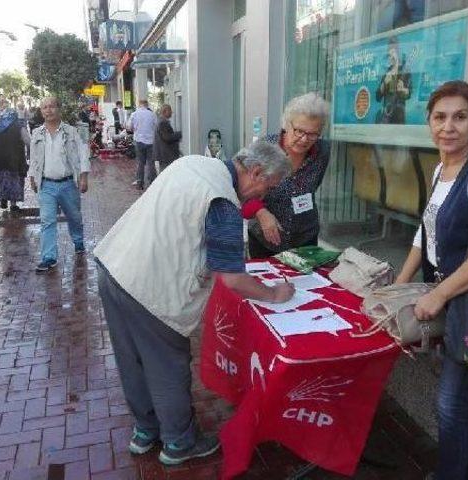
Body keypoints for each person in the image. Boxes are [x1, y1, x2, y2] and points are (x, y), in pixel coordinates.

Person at [93, 140, 294, 465]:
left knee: (132, 361)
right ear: (256, 172)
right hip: (152, 290)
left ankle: (145, 432)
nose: (262, 197)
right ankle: (179, 444)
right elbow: (231, 278)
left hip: (115, 267)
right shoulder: (223, 201)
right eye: (267, 187)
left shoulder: (194, 165)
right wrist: (274, 294)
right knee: (167, 368)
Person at [394, 80, 468, 480]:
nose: (449, 126)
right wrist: (400, 284)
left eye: (460, 117)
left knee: (450, 403)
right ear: (429, 122)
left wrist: (441, 293)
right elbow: (425, 232)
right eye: (440, 117)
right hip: (448, 298)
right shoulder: (441, 168)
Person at [246, 92, 331, 258]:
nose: (304, 139)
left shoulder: (323, 151)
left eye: (313, 134)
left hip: (306, 238)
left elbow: (313, 187)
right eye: (299, 131)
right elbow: (241, 191)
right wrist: (261, 213)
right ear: (286, 124)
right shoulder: (264, 147)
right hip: (266, 239)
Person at [29, 96, 91, 273]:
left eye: (51, 107)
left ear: (58, 109)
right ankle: (49, 257)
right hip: (46, 185)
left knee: (75, 218)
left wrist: (84, 177)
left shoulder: (71, 132)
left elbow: (82, 155)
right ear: (41, 112)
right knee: (47, 221)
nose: (48, 110)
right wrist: (32, 177)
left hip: (68, 184)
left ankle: (78, 241)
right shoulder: (37, 134)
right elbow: (34, 158)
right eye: (44, 108)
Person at [375, 37, 411, 124]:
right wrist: (384, 84)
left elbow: (409, 93)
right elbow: (378, 97)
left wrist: (403, 90)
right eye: (389, 52)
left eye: (393, 51)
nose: (391, 56)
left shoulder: (405, 70)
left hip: (399, 117)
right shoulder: (386, 73)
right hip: (386, 117)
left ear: (397, 52)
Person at [127, 99, 157, 189]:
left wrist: (135, 129)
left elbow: (129, 127)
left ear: (139, 105)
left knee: (140, 162)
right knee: (151, 162)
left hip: (139, 141)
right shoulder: (152, 114)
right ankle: (152, 182)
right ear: (147, 105)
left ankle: (140, 183)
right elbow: (156, 126)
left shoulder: (134, 114)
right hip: (150, 141)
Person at [153, 104, 182, 172]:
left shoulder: (161, 121)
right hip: (166, 154)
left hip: (164, 154)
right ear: (165, 111)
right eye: (170, 110)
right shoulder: (163, 123)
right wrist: (180, 133)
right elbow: (167, 137)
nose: (171, 112)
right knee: (166, 173)